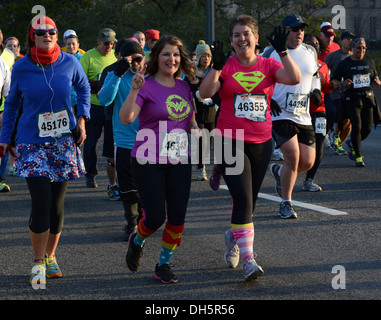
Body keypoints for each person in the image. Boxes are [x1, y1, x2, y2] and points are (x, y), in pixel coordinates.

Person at [199, 14, 301, 280]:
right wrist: (216, 67)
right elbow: (205, 93)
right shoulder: (227, 66)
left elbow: (293, 78)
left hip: (261, 142)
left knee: (249, 203)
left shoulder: (268, 64)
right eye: (236, 35)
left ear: (256, 38)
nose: (241, 39)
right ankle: (249, 260)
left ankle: (233, 235)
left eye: (246, 34)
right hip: (229, 141)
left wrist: (283, 51)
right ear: (231, 41)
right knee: (243, 200)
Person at [0, 16, 90, 287]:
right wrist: (5, 139)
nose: (47, 36)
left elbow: (84, 88)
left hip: (63, 141)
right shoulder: (22, 67)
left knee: (57, 204)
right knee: (41, 202)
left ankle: (51, 256)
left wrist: (82, 119)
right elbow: (12, 104)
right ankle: (38, 261)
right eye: (41, 33)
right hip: (31, 142)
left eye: (51, 32)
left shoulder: (69, 62)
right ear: (32, 37)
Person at [120, 35, 199, 284]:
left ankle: (163, 264)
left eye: (176, 55)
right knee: (154, 217)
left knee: (177, 217)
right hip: (148, 157)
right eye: (166, 54)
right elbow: (126, 118)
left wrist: (196, 128)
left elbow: (190, 117)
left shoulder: (184, 86)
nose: (171, 59)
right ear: (157, 57)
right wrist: (134, 89)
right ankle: (138, 240)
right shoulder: (145, 84)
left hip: (178, 157)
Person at [268, 14, 321, 219]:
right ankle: (286, 203)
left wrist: (316, 90)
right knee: (292, 154)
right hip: (279, 113)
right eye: (295, 29)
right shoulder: (271, 53)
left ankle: (280, 173)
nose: (299, 32)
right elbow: (258, 75)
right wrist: (267, 97)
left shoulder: (310, 51)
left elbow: (315, 76)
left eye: (302, 29)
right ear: (285, 31)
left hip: (303, 114)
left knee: (307, 162)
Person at [98, 39, 145, 236]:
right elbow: (104, 99)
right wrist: (118, 72)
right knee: (127, 189)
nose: (136, 64)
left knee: (147, 186)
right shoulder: (114, 74)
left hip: (149, 140)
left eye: (139, 59)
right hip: (124, 140)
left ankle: (144, 221)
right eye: (131, 60)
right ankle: (131, 223)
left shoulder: (150, 74)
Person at [330, 37, 381, 167]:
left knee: (368, 128)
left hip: (367, 98)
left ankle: (352, 143)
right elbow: (333, 81)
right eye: (359, 48)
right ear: (352, 48)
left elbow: (374, 76)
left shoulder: (369, 60)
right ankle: (358, 155)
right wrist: (343, 83)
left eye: (364, 48)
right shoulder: (345, 63)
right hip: (351, 99)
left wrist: (377, 81)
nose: (362, 50)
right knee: (356, 126)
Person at [80, 28, 117, 189]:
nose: (108, 47)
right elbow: (79, 82)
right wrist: (96, 85)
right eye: (105, 43)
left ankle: (113, 177)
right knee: (91, 142)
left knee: (112, 142)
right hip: (93, 105)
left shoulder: (116, 57)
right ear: (98, 41)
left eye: (111, 43)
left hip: (111, 106)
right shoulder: (88, 56)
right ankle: (90, 174)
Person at [185, 40, 219, 181]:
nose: (206, 59)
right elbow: (188, 90)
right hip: (197, 110)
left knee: (209, 142)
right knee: (200, 141)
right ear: (198, 57)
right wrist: (198, 95)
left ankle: (202, 164)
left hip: (211, 111)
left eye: (209, 56)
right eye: (203, 56)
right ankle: (201, 168)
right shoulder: (193, 73)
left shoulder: (214, 72)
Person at [302, 34, 331, 192]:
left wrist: (333, 85)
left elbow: (326, 88)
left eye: (317, 44)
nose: (315, 46)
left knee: (319, 144)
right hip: (300, 111)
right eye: (311, 44)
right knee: (300, 150)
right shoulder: (296, 63)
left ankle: (309, 180)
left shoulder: (324, 66)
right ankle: (285, 173)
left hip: (319, 110)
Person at [325, 31, 355, 155]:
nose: (350, 41)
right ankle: (333, 136)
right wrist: (330, 83)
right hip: (336, 94)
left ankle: (338, 143)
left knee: (349, 123)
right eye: (347, 39)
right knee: (343, 118)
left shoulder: (355, 56)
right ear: (341, 42)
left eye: (351, 39)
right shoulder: (334, 55)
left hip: (351, 93)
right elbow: (323, 69)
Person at [0, 51, 11, 193]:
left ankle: (0, 177)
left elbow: (9, 94)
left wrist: (4, 113)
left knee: (3, 142)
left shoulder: (2, 64)